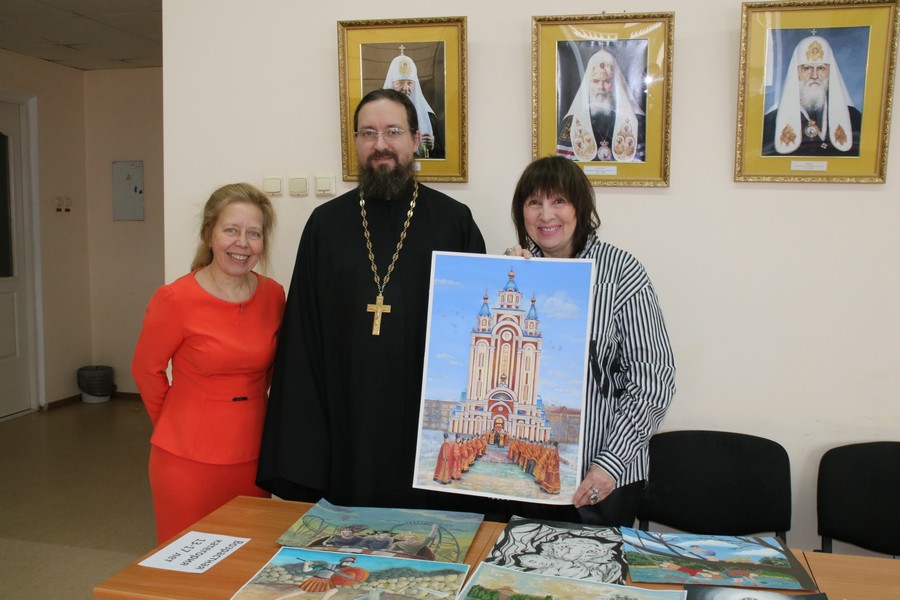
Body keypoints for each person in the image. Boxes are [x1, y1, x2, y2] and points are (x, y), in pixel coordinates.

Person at [256, 89, 486, 513]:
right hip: (348, 413)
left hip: (426, 417)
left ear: (415, 140)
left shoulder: (454, 222)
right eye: (369, 133)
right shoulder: (325, 225)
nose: (381, 144)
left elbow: (476, 335)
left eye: (393, 131)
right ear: (356, 144)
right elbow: (304, 336)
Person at [505, 156, 675, 526]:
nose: (546, 215)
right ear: (522, 212)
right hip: (525, 474)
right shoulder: (514, 273)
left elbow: (654, 379)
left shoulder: (620, 272)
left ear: (580, 207)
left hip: (600, 479)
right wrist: (504, 273)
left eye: (559, 201)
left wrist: (610, 463)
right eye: (534, 202)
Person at [131, 183, 285, 543]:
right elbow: (146, 370)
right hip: (187, 459)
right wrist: (176, 422)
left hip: (254, 453)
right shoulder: (175, 299)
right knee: (186, 559)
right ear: (208, 234)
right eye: (230, 230)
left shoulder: (273, 295)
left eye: (253, 233)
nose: (242, 243)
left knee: (246, 556)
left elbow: (272, 369)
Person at [762, 35, 861, 156]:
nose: (814, 75)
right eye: (807, 68)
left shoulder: (853, 117)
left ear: (830, 73)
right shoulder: (771, 120)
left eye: (821, 68)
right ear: (796, 72)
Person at [557, 48, 646, 163]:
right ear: (588, 84)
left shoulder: (636, 121)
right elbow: (565, 167)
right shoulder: (571, 122)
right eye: (595, 81)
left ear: (615, 84)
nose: (601, 87)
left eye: (607, 81)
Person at [383, 46, 444, 159]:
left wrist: (432, 147)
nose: (405, 88)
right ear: (391, 85)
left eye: (409, 83)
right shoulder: (381, 116)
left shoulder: (429, 118)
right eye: (399, 83)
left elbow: (441, 158)